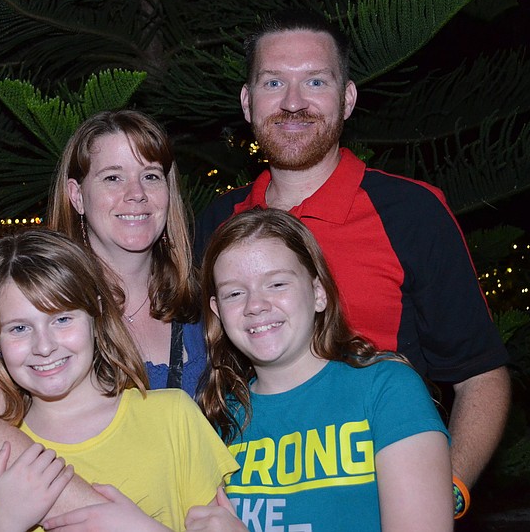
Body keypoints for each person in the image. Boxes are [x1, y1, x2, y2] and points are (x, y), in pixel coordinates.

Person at [193, 10, 510, 517]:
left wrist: (438, 493)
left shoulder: (410, 213)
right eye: (274, 82)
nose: (293, 103)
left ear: (347, 98)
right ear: (248, 102)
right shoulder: (217, 221)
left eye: (315, 81)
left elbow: (481, 375)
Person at [0, 110, 207, 515]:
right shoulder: (28, 302)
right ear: (77, 195)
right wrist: (112, 523)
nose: (136, 194)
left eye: (151, 175)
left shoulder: (206, 307)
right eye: (113, 177)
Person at [0, 228, 238, 532]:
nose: (44, 346)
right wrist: (4, 523)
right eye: (19, 329)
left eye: (62, 319)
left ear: (96, 311)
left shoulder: (175, 418)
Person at [184, 207, 452, 532]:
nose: (255, 305)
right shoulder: (216, 419)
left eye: (277, 284)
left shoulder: (386, 390)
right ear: (218, 312)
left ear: (319, 293)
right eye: (235, 293)